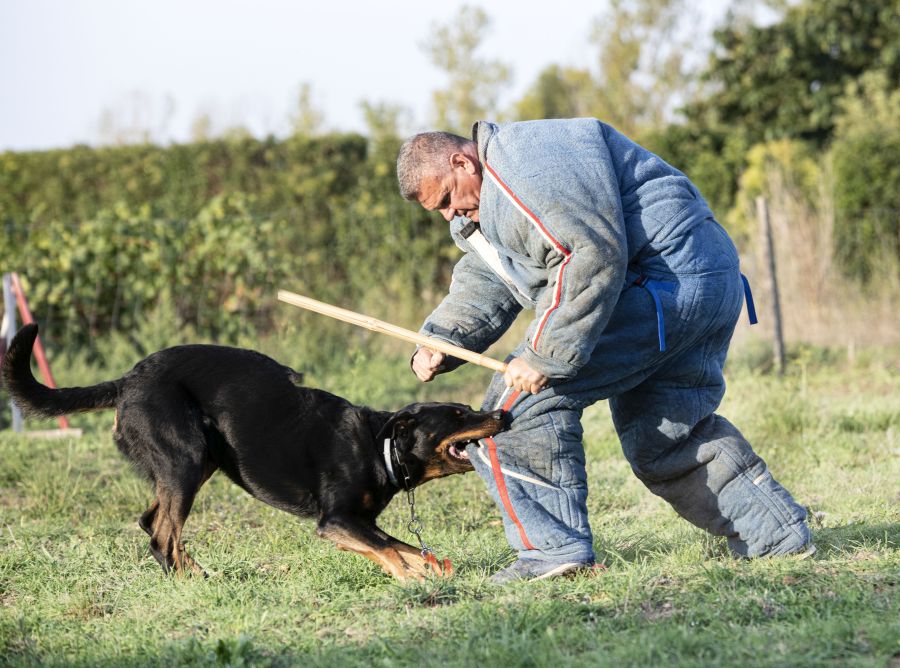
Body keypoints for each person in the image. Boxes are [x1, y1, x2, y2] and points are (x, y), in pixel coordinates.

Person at [396, 119, 813, 583]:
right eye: (439, 210)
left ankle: (554, 552)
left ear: (462, 161)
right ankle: (776, 536)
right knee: (666, 439)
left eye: (449, 197)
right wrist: (442, 338)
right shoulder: (488, 203)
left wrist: (544, 355)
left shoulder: (526, 166)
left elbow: (587, 254)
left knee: (509, 414)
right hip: (692, 280)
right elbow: (493, 273)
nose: (450, 215)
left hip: (664, 282)